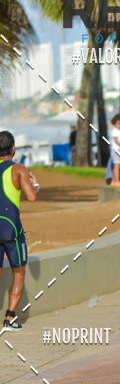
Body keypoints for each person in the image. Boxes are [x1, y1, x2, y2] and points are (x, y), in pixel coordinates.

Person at [0, 131, 40, 330]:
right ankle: (9, 319)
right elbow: (32, 197)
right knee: (18, 272)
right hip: (11, 230)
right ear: (13, 149)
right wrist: (35, 184)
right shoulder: (18, 169)